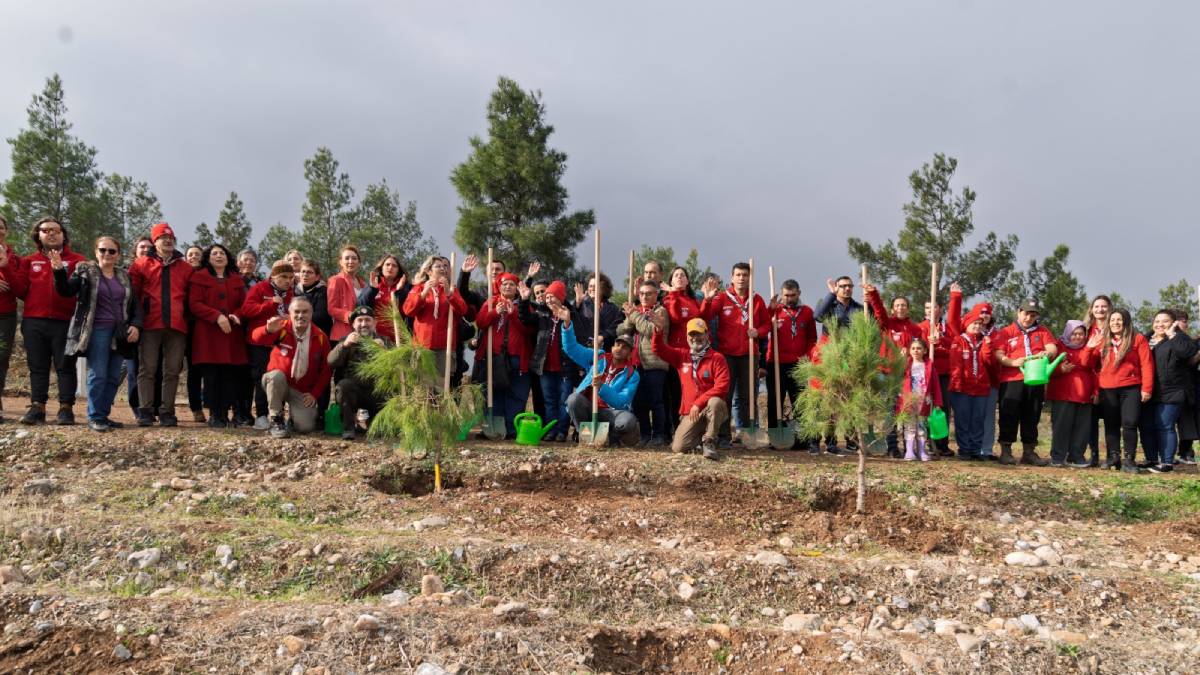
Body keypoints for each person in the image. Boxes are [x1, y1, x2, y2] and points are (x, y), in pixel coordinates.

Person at [52, 236, 141, 432]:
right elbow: (65, 290)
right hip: (97, 330)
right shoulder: (85, 272)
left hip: (120, 333)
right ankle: (94, 416)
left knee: (112, 377)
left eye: (111, 251)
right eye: (103, 250)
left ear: (118, 254)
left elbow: (134, 304)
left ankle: (103, 415)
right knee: (98, 374)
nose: (107, 254)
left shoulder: (124, 276)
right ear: (96, 252)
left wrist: (135, 325)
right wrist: (58, 271)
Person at [7, 218, 86, 425]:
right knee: (38, 367)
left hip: (65, 321)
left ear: (63, 235)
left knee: (65, 366)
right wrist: (6, 268)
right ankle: (37, 407)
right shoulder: (28, 261)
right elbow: (20, 291)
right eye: (46, 230)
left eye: (56, 230)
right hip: (34, 321)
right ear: (38, 235)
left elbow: (80, 291)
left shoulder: (78, 260)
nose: (51, 234)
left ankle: (65, 409)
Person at [129, 223, 194, 427]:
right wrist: (135, 322)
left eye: (170, 238)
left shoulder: (185, 267)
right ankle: (145, 410)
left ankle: (167, 411)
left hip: (177, 326)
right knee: (147, 368)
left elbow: (191, 298)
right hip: (150, 324)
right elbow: (133, 296)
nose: (167, 241)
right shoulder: (141, 264)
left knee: (172, 370)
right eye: (162, 238)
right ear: (154, 241)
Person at [699, 262, 769, 445]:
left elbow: (767, 324)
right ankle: (723, 436)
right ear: (732, 278)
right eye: (738, 275)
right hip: (726, 355)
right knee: (725, 396)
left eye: (745, 275)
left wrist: (758, 332)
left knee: (748, 397)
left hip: (749, 354)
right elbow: (704, 317)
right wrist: (707, 300)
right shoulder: (722, 298)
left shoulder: (757, 299)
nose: (741, 278)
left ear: (750, 278)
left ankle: (745, 434)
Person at [554, 303, 641, 447]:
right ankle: (586, 435)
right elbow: (571, 349)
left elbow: (622, 401)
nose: (619, 349)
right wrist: (567, 323)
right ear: (612, 347)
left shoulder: (632, 374)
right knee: (573, 399)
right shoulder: (597, 357)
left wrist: (601, 387)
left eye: (625, 347)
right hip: (589, 407)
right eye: (617, 345)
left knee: (627, 421)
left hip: (611, 412)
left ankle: (612, 436)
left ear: (630, 353)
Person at [249, 297, 331, 439]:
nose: (301, 315)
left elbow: (327, 369)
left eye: (305, 312)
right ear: (290, 313)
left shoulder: (321, 336)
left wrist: (314, 394)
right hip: (277, 382)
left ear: (311, 314)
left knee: (306, 427)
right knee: (275, 376)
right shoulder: (281, 328)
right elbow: (256, 338)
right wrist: (267, 330)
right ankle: (276, 420)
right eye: (297, 312)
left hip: (301, 390)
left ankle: (293, 420)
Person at [991, 298, 1059, 466]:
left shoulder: (1042, 331)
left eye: (1033, 315)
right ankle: (1006, 451)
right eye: (1026, 313)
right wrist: (1012, 362)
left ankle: (1029, 451)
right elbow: (998, 354)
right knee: (1008, 414)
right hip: (1012, 379)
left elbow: (1052, 348)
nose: (1029, 318)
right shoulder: (1006, 332)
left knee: (1032, 414)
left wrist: (1047, 354)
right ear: (1019, 312)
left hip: (1035, 379)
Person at [651, 318, 730, 460]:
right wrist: (658, 332)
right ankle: (700, 437)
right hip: (690, 413)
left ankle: (709, 441)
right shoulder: (681, 356)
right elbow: (658, 349)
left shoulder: (717, 358)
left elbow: (722, 386)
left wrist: (698, 403)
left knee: (715, 402)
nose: (695, 338)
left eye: (699, 334)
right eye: (692, 334)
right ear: (687, 336)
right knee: (678, 447)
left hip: (709, 408)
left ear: (707, 334)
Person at [188, 244, 248, 427]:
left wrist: (237, 315)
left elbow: (244, 305)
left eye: (222, 253)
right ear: (208, 258)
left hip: (231, 334)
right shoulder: (199, 277)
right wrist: (216, 316)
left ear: (228, 258)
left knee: (229, 376)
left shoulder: (236, 279)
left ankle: (225, 412)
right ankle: (215, 414)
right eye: (214, 253)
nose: (219, 256)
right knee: (211, 376)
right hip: (208, 334)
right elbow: (194, 304)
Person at [474, 272, 536, 437]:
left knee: (516, 393)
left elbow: (528, 330)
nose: (508, 287)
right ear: (499, 287)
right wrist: (494, 312)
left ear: (517, 288)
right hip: (494, 357)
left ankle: (511, 429)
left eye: (511, 284)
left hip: (517, 357)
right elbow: (480, 323)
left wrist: (513, 314)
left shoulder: (523, 305)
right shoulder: (491, 302)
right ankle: (493, 428)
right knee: (493, 393)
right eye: (504, 284)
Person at [1095, 308, 1153, 473]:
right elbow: (1089, 364)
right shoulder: (1103, 340)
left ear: (1126, 321)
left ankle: (1129, 459)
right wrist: (1090, 347)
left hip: (1131, 387)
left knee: (1130, 423)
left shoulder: (1138, 339)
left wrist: (1147, 388)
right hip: (1107, 388)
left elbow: (1147, 364)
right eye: (1112, 320)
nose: (1115, 323)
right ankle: (1113, 457)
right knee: (1111, 424)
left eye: (1119, 320)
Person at [239, 261, 296, 429]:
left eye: (291, 277)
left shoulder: (291, 293)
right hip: (260, 342)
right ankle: (261, 415)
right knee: (261, 378)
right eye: (284, 277)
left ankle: (278, 415)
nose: (288, 280)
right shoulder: (259, 288)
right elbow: (246, 310)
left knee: (281, 378)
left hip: (282, 343)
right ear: (273, 276)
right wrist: (270, 304)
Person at [1140, 309, 1197, 472]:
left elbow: (1187, 353)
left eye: (1165, 321)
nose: (1160, 325)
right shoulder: (1145, 339)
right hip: (1149, 391)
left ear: (1173, 323)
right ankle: (1151, 459)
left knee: (1165, 425)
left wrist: (1172, 335)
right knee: (1147, 426)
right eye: (1157, 321)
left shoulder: (1180, 338)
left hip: (1172, 391)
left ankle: (1167, 463)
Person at [763, 279, 817, 449]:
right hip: (776, 362)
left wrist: (807, 357)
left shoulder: (807, 312)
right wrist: (769, 313)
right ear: (781, 294)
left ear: (798, 293)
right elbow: (762, 328)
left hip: (798, 364)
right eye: (786, 295)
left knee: (799, 402)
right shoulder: (775, 310)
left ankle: (800, 438)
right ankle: (775, 436)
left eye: (792, 295)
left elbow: (812, 338)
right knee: (774, 400)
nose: (789, 298)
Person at [329, 306, 390, 440]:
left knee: (377, 432)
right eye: (360, 320)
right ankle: (348, 427)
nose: (364, 324)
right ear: (353, 324)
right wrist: (344, 346)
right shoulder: (346, 340)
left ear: (374, 323)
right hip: (354, 393)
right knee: (344, 386)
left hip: (376, 393)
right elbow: (331, 362)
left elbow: (399, 367)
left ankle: (374, 423)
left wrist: (385, 352)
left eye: (368, 320)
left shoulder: (384, 341)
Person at [402, 255, 466, 384]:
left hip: (444, 346)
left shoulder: (452, 289)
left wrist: (449, 294)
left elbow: (462, 311)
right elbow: (408, 310)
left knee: (441, 387)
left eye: (444, 266)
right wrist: (424, 293)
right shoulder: (418, 288)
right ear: (428, 271)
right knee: (423, 386)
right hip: (423, 345)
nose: (442, 269)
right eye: (438, 266)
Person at [621, 281, 670, 446]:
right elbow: (620, 331)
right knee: (639, 402)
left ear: (656, 295)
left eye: (648, 293)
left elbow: (650, 330)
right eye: (641, 293)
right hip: (637, 364)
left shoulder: (660, 311)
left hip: (655, 363)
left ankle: (658, 435)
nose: (644, 296)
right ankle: (644, 434)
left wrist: (634, 316)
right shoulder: (638, 311)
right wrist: (630, 318)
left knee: (656, 401)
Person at [946, 297, 995, 461]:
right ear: (966, 324)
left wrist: (988, 346)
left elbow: (988, 362)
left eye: (980, 325)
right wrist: (957, 384)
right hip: (962, 389)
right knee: (963, 419)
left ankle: (976, 449)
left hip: (981, 388)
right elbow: (955, 364)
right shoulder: (959, 340)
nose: (977, 327)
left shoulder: (984, 341)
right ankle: (964, 449)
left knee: (978, 420)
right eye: (974, 324)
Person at [523, 280, 571, 441]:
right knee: (549, 401)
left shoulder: (571, 315)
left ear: (561, 298)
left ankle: (562, 432)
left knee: (564, 401)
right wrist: (524, 300)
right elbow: (525, 318)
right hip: (545, 367)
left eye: (552, 296)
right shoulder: (541, 314)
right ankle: (551, 430)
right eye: (547, 296)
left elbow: (579, 339)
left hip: (565, 367)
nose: (549, 299)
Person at [1046, 321, 1097, 468]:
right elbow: (1048, 369)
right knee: (1061, 426)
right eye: (1074, 333)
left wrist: (1095, 391)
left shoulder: (1090, 347)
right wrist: (1060, 370)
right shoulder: (1058, 346)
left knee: (1082, 428)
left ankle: (1077, 456)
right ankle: (1057, 457)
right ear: (1068, 333)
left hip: (1084, 394)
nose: (1078, 337)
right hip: (1063, 393)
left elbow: (1094, 370)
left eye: (1081, 334)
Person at [919, 292, 960, 457]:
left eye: (933, 307)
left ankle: (942, 444)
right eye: (927, 307)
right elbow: (917, 348)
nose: (930, 310)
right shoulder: (921, 327)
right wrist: (929, 345)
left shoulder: (948, 328)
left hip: (944, 374)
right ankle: (927, 442)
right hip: (927, 372)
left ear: (940, 309)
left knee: (942, 408)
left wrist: (941, 340)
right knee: (926, 407)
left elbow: (956, 346)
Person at [661, 266, 701, 433]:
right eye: (676, 275)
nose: (679, 278)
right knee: (675, 391)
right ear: (671, 281)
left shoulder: (693, 300)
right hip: (676, 353)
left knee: (691, 390)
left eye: (683, 275)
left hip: (693, 352)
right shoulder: (668, 300)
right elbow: (676, 318)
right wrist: (673, 293)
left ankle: (691, 427)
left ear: (688, 281)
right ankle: (675, 428)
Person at [124, 236, 155, 417]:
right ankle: (137, 409)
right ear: (135, 250)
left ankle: (151, 407)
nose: (145, 250)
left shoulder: (156, 272)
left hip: (152, 325)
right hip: (131, 326)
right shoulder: (124, 273)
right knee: (133, 369)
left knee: (151, 369)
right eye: (142, 247)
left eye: (149, 248)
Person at [897, 337, 941, 461]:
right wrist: (900, 361)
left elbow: (936, 384)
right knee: (909, 426)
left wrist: (937, 402)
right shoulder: (906, 364)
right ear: (909, 351)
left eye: (919, 348)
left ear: (925, 351)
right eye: (913, 348)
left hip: (924, 401)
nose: (916, 351)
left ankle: (922, 450)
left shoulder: (929, 365)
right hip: (909, 400)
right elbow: (897, 377)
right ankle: (910, 451)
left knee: (921, 426)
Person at [1082, 295, 1112, 467]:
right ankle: (1093, 455)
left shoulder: (1116, 327)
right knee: (1091, 421)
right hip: (1091, 380)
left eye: (1104, 306)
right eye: (1097, 306)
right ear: (1091, 309)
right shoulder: (1086, 330)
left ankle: (1111, 456)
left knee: (1110, 420)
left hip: (1110, 381)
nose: (1100, 309)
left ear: (1109, 308)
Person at [362, 254, 412, 340]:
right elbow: (362, 305)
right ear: (381, 267)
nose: (390, 267)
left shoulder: (406, 288)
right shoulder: (373, 284)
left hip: (399, 338)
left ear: (399, 270)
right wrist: (372, 289)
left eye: (394, 266)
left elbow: (408, 311)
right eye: (387, 264)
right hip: (376, 337)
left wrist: (399, 291)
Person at [0, 215, 20, 423]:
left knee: (1, 359)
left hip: (6, 314)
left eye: (1, 227)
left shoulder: (14, 257)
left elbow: (19, 287)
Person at [183, 244, 206, 423]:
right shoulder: (180, 274)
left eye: (197, 254)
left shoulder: (207, 274)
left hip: (202, 327)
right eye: (190, 254)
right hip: (180, 326)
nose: (193, 257)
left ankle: (199, 407)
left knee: (198, 368)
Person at [326, 245, 365, 341]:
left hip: (362, 333)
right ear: (341, 262)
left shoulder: (363, 283)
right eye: (347, 258)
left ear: (359, 262)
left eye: (354, 258)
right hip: (342, 334)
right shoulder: (335, 280)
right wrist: (350, 315)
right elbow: (331, 309)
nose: (350, 261)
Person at [295, 259, 332, 338]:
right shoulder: (294, 291)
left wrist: (296, 319)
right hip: (298, 335)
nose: (305, 275)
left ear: (317, 277)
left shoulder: (323, 292)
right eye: (303, 271)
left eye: (309, 272)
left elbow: (321, 316)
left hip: (318, 336)